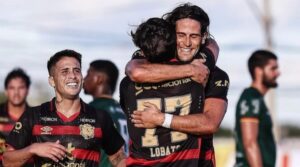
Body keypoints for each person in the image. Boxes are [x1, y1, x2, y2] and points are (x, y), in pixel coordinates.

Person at [126, 3, 229, 166]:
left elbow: (210, 123)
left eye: (194, 36)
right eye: (181, 35)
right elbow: (134, 71)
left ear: (203, 37)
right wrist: (190, 70)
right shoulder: (149, 59)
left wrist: (161, 119)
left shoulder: (213, 74)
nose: (187, 43)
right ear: (171, 35)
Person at [3, 49, 126, 167]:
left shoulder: (100, 117)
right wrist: (33, 149)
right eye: (65, 71)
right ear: (52, 81)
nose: (72, 75)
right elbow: (7, 161)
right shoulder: (32, 116)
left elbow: (118, 158)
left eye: (77, 70)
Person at [234, 50, 279, 167]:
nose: (278, 73)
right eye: (273, 69)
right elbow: (250, 143)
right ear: (259, 71)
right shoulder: (251, 98)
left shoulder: (256, 98)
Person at [83, 60, 129, 167]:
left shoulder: (93, 109)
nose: (84, 78)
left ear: (99, 79)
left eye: (88, 74)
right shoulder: (123, 110)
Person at [0, 68, 31, 165]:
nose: (16, 93)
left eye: (21, 88)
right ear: (6, 91)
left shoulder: (36, 117)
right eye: (12, 88)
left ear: (27, 90)